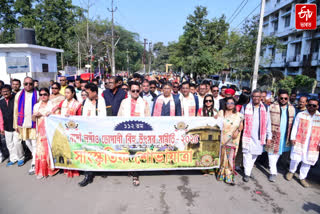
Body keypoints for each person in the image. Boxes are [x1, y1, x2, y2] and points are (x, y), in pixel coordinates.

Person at [286, 99, 320, 188]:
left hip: (313, 143)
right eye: (310, 105)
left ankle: (302, 177)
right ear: (307, 105)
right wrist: (292, 138)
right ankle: (291, 171)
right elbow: (295, 126)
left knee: (307, 161)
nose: (311, 107)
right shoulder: (301, 114)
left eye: (314, 105)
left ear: (318, 107)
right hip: (299, 140)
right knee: (295, 159)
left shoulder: (319, 117)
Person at [241, 89, 272, 182]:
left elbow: (268, 123)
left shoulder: (266, 108)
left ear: (261, 97)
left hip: (259, 136)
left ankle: (248, 171)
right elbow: (241, 120)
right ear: (251, 97)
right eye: (254, 96)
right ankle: (247, 174)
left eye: (258, 96)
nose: (256, 98)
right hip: (247, 136)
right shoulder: (245, 107)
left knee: (254, 155)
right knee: (247, 155)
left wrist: (269, 137)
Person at [79, 83, 106, 187]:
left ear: (94, 92)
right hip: (88, 132)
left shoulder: (102, 101)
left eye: (88, 92)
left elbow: (103, 117)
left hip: (98, 132)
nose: (86, 94)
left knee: (99, 151)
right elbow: (83, 116)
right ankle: (88, 175)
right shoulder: (86, 101)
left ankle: (101, 169)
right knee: (88, 153)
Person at [266, 89, 295, 182]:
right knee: (271, 153)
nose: (283, 100)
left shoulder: (292, 108)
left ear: (288, 98)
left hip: (285, 136)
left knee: (278, 153)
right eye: (281, 98)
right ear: (278, 97)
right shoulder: (271, 107)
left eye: (285, 98)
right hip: (273, 134)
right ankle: (273, 172)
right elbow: (267, 122)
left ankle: (274, 167)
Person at [13, 77, 39, 175]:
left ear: (33, 84)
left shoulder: (37, 94)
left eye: (30, 84)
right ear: (23, 84)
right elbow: (15, 111)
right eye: (26, 84)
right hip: (22, 124)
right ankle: (37, 156)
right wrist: (15, 125)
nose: (28, 86)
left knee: (35, 143)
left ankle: (34, 163)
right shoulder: (19, 95)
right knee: (27, 143)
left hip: (34, 124)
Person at [32, 88, 59, 179]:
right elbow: (33, 120)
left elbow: (58, 117)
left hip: (49, 130)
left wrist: (49, 114)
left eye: (45, 94)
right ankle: (41, 171)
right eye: (41, 94)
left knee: (48, 150)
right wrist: (35, 115)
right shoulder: (36, 106)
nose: (43, 96)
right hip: (40, 130)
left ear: (48, 95)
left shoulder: (53, 105)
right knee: (40, 150)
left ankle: (50, 169)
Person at [217, 97, 243, 185]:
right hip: (222, 138)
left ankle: (229, 176)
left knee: (230, 157)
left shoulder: (239, 115)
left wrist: (238, 131)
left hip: (233, 139)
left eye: (232, 103)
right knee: (223, 156)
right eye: (228, 103)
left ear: (234, 104)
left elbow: (241, 125)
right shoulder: (221, 113)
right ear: (225, 104)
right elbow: (215, 121)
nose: (230, 105)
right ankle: (222, 173)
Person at [0, 85, 22, 165]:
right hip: (6, 127)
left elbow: (19, 113)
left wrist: (19, 124)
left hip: (16, 126)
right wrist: (1, 127)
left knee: (17, 143)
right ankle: (13, 158)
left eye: (7, 91)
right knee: (9, 144)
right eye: (3, 91)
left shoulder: (15, 99)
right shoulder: (1, 102)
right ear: (1, 93)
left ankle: (20, 158)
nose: (5, 93)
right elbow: (0, 116)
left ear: (10, 91)